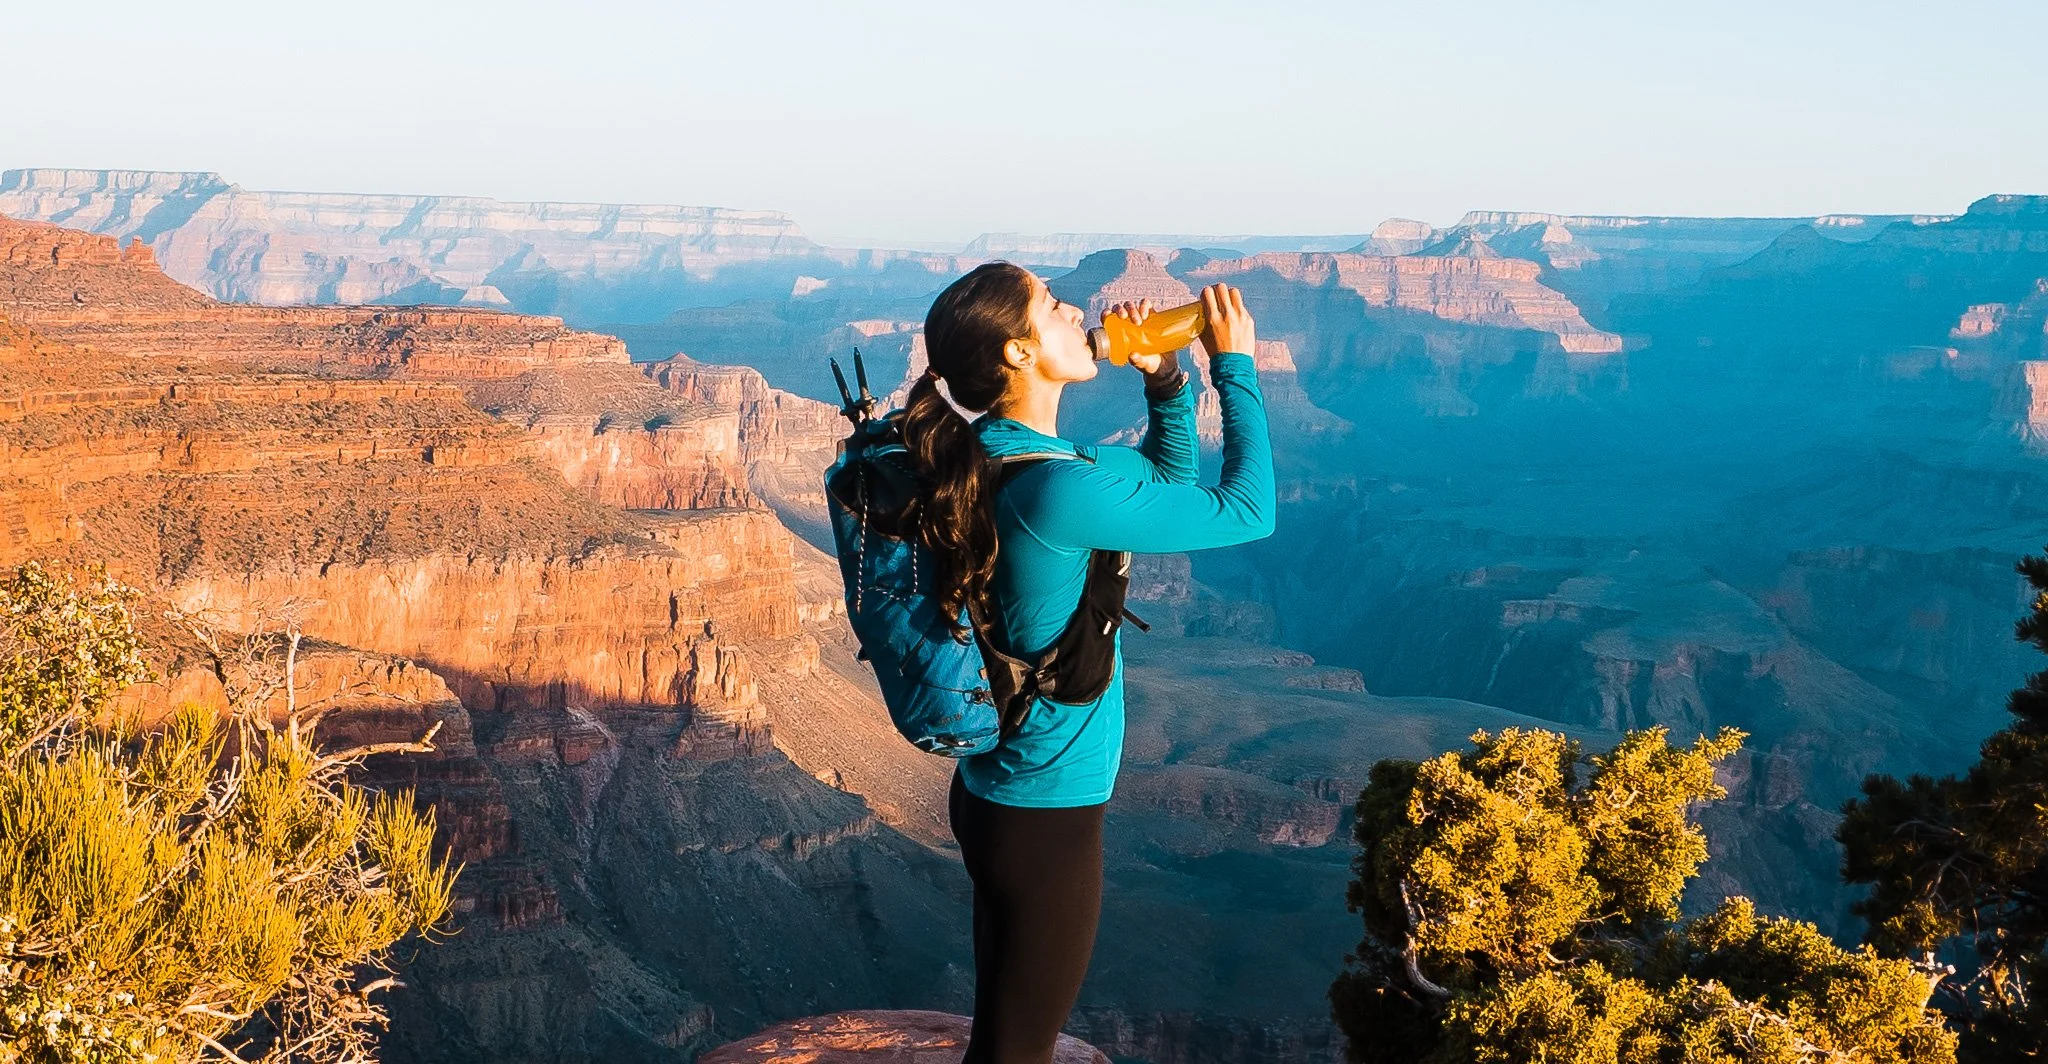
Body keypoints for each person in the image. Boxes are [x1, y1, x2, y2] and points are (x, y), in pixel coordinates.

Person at [898, 261, 1274, 1063]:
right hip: (1046, 816)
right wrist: (1234, 366)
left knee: (1003, 1042)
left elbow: (1165, 482)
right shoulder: (1056, 491)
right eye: (1054, 308)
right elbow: (1248, 511)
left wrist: (1167, 379)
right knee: (1018, 1054)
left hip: (995, 795)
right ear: (1018, 355)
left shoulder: (1003, 454)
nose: (1081, 313)